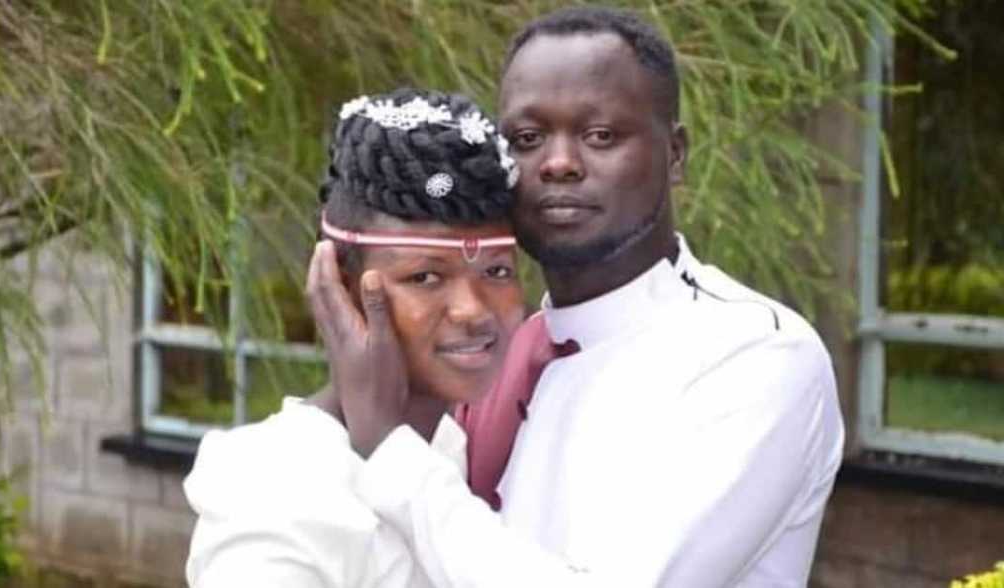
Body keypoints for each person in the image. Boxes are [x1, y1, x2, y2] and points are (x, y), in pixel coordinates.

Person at [310, 6, 845, 588]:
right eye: (528, 138)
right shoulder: (498, 350)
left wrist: (390, 449)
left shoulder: (753, 357)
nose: (559, 163)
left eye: (600, 136)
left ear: (676, 155)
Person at [183, 88, 525, 587]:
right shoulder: (273, 497)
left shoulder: (460, 449)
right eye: (425, 278)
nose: (473, 310)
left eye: (497, 271)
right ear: (338, 287)